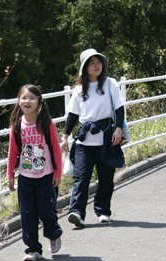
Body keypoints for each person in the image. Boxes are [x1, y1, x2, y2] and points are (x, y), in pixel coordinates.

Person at [61, 48, 126, 228]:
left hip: (106, 135)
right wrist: (65, 137)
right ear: (84, 67)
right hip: (84, 140)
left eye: (99, 62)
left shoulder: (110, 83)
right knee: (81, 177)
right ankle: (76, 212)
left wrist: (118, 129)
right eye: (92, 63)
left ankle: (103, 211)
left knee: (106, 177)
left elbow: (119, 108)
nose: (97, 66)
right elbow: (73, 115)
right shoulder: (79, 89)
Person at [7, 84, 63, 261]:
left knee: (46, 210)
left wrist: (57, 173)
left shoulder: (45, 123)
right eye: (24, 98)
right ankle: (33, 249)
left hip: (46, 175)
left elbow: (55, 148)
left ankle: (53, 234)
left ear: (39, 101)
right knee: (28, 213)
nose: (27, 101)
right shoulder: (17, 125)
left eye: (32, 97)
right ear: (19, 101)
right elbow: (12, 152)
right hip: (25, 176)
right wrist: (10, 175)